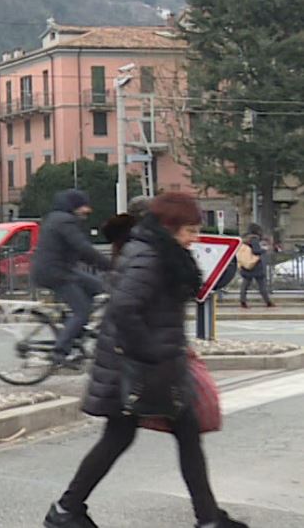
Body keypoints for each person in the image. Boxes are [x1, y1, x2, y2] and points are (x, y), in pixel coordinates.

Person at [47, 191, 246, 528]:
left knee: (156, 434)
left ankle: (68, 509)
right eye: (190, 230)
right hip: (137, 365)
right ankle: (67, 509)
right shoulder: (149, 256)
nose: (194, 238)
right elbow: (125, 310)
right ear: (170, 227)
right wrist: (152, 353)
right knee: (134, 435)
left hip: (149, 363)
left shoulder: (161, 251)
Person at [33, 189, 112, 367]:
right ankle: (60, 352)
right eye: (84, 206)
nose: (88, 210)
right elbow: (83, 248)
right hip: (56, 273)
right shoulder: (64, 221)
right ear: (74, 206)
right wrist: (111, 266)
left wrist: (104, 265)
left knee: (98, 287)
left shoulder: (58, 219)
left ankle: (74, 331)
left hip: (61, 270)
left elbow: (80, 252)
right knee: (82, 311)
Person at [239, 224, 275, 308]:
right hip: (255, 266)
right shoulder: (254, 239)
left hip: (247, 265)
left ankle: (243, 301)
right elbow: (256, 251)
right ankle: (268, 302)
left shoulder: (246, 239)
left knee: (245, 285)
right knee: (262, 285)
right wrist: (264, 250)